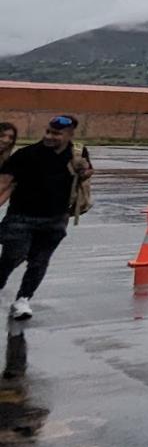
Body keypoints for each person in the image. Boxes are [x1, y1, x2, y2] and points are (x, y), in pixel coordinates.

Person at [0, 117, 93, 321]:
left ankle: (23, 300)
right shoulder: (26, 154)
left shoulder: (78, 152)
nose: (49, 136)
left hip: (55, 219)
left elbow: (86, 173)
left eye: (56, 134)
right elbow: (5, 182)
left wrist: (84, 170)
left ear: (70, 135)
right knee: (13, 256)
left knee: (39, 261)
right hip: (20, 218)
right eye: (48, 131)